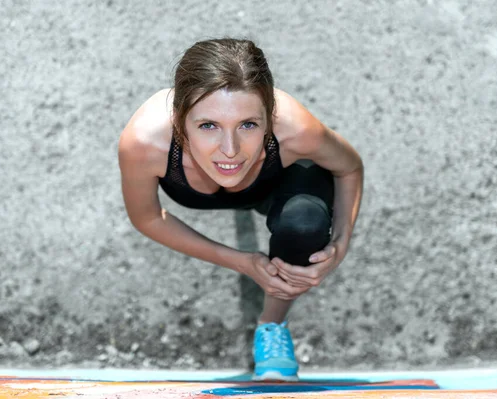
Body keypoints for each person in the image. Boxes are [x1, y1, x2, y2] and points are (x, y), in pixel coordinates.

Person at [118, 38, 363, 381]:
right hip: (196, 187)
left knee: (305, 223)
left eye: (248, 124)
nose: (230, 149)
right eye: (208, 126)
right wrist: (242, 261)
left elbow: (349, 168)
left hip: (276, 181)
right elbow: (145, 216)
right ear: (179, 120)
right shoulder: (145, 142)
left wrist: (340, 241)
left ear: (269, 116)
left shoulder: (296, 131)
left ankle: (272, 326)